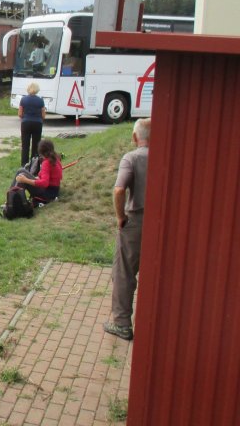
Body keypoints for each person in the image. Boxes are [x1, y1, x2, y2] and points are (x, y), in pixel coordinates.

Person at [104, 118, 150, 341]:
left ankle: (122, 324)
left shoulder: (131, 158)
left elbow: (119, 189)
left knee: (124, 273)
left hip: (136, 223)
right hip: (163, 224)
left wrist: (121, 217)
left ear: (135, 137)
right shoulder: (168, 156)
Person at [14, 139, 63, 204]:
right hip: (54, 191)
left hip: (47, 193)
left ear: (41, 152)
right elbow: (57, 176)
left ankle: (11, 200)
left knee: (21, 173)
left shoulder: (46, 163)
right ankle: (12, 197)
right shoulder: (55, 158)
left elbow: (44, 183)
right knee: (21, 171)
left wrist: (26, 180)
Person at [18, 82, 46, 166]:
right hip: (37, 123)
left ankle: (24, 164)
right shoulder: (40, 100)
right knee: (36, 145)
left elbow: (20, 113)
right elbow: (43, 115)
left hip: (26, 123)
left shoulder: (23, 99)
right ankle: (34, 164)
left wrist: (24, 116)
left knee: (25, 145)